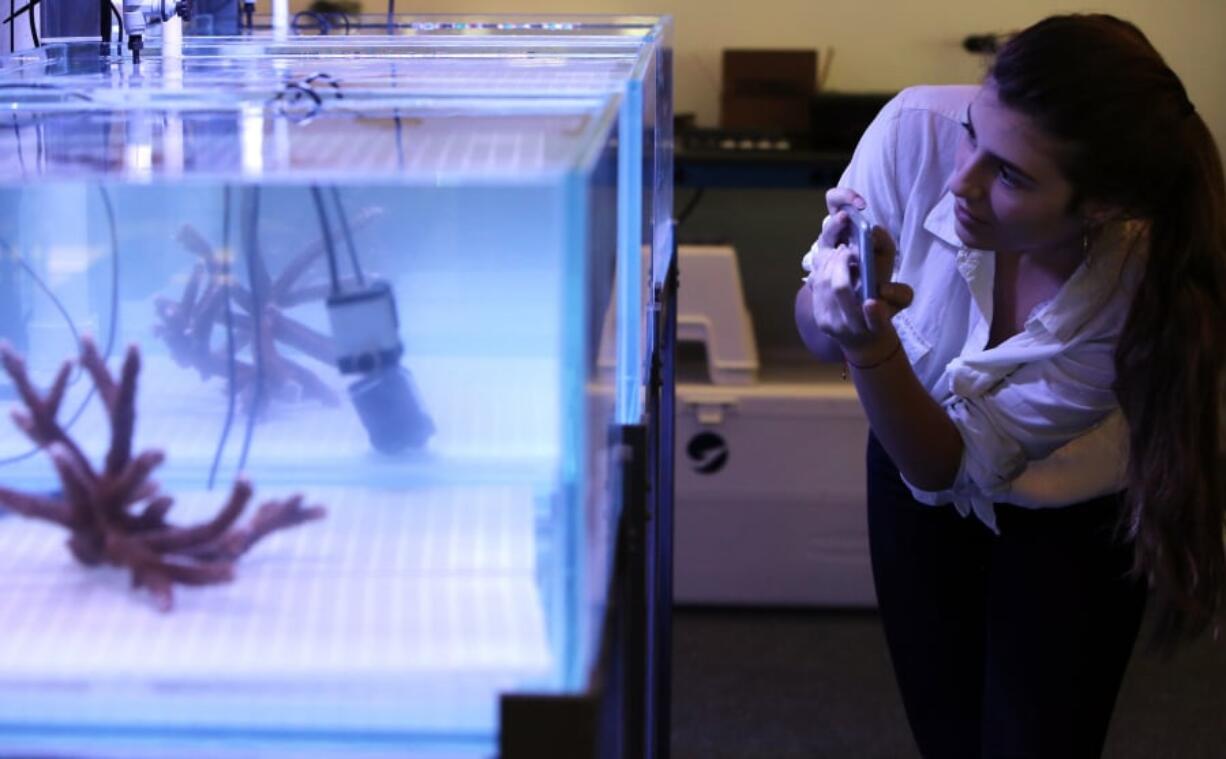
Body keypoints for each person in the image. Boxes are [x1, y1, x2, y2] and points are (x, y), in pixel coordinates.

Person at [794, 14, 1225, 759]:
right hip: (906, 467)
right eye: (972, 133)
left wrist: (868, 349)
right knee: (947, 730)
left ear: (1100, 207)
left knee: (1043, 736)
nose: (963, 181)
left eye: (1014, 176)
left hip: (1072, 508)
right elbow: (813, 325)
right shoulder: (910, 132)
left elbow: (951, 462)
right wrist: (834, 305)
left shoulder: (1138, 289)